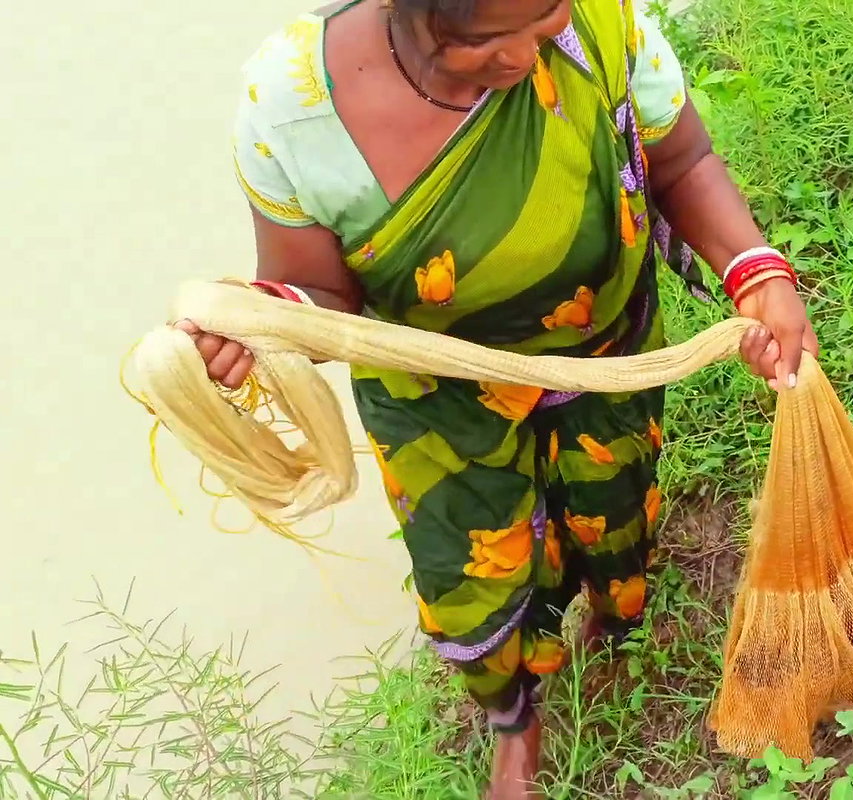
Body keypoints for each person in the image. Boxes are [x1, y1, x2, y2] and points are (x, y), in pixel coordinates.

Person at [176, 0, 815, 796]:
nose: (523, 57)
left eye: (544, 22)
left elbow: (681, 163)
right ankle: (513, 721)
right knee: (468, 574)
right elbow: (319, 292)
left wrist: (756, 271)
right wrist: (265, 319)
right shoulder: (295, 111)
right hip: (439, 398)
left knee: (614, 507)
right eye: (480, 42)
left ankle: (615, 631)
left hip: (604, 356)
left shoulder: (600, 23)